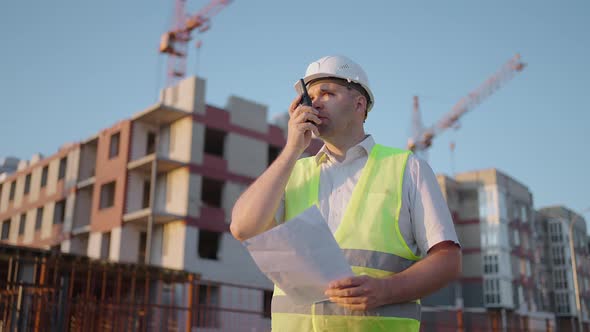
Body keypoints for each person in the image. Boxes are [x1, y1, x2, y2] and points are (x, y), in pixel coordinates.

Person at [231, 55, 461, 331]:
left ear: (359, 104)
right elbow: (242, 227)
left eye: (327, 93)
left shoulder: (407, 168)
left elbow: (448, 260)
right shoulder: (292, 172)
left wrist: (385, 290)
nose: (314, 103)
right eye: (310, 97)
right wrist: (292, 149)